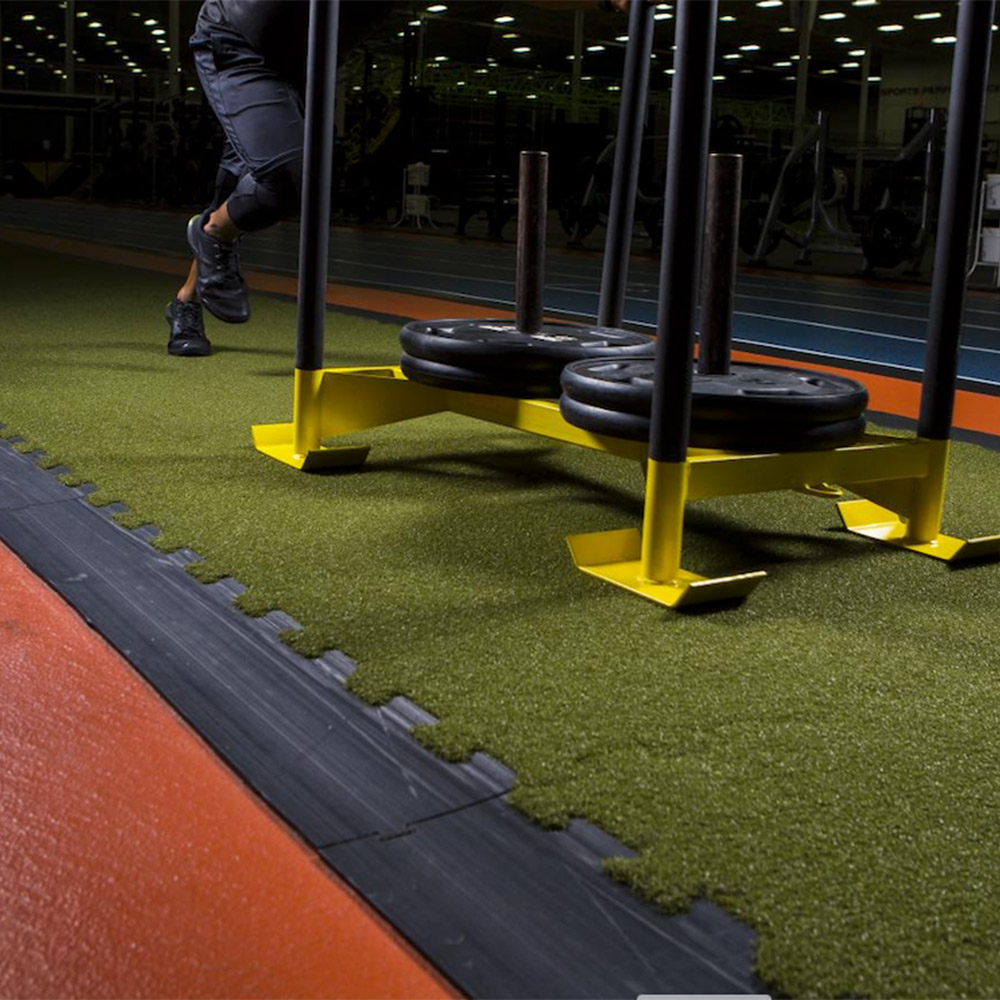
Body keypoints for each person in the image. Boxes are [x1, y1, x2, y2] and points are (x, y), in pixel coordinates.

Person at [166, 0, 387, 356]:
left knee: (239, 189)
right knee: (292, 177)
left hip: (303, 62)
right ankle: (215, 232)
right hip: (238, 42)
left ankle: (185, 302)